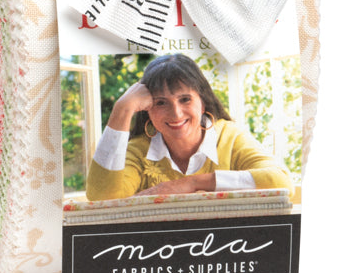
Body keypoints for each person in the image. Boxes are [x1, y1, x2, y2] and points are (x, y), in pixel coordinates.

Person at [86, 54, 294, 201]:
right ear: (147, 110)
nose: (176, 114)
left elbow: (281, 182)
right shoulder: (138, 151)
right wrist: (122, 109)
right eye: (161, 102)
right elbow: (102, 199)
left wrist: (190, 184)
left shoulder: (229, 137)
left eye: (185, 99)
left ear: (202, 103)